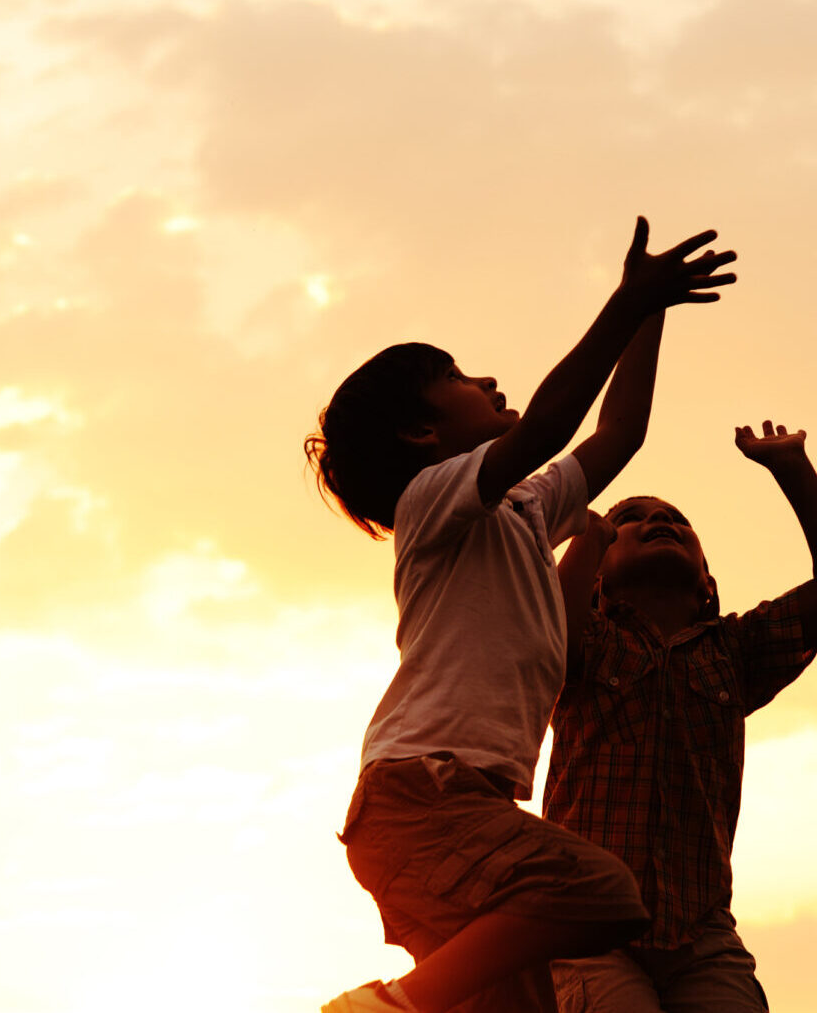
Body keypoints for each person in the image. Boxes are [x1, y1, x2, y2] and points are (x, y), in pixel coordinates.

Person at [311, 218, 738, 1013]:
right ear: (421, 431)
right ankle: (386, 1007)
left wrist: (653, 311)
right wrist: (622, 304)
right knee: (603, 892)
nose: (488, 382)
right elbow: (551, 425)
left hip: (462, 808)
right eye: (462, 378)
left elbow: (621, 432)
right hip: (424, 796)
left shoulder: (523, 512)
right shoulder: (431, 501)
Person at [544, 421, 817, 1013]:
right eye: (630, 519)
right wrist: (584, 538)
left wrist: (792, 468)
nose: (658, 520)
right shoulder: (586, 643)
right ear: (593, 580)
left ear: (708, 585)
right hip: (588, 923)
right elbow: (552, 628)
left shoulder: (733, 652)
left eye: (676, 519)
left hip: (703, 934)